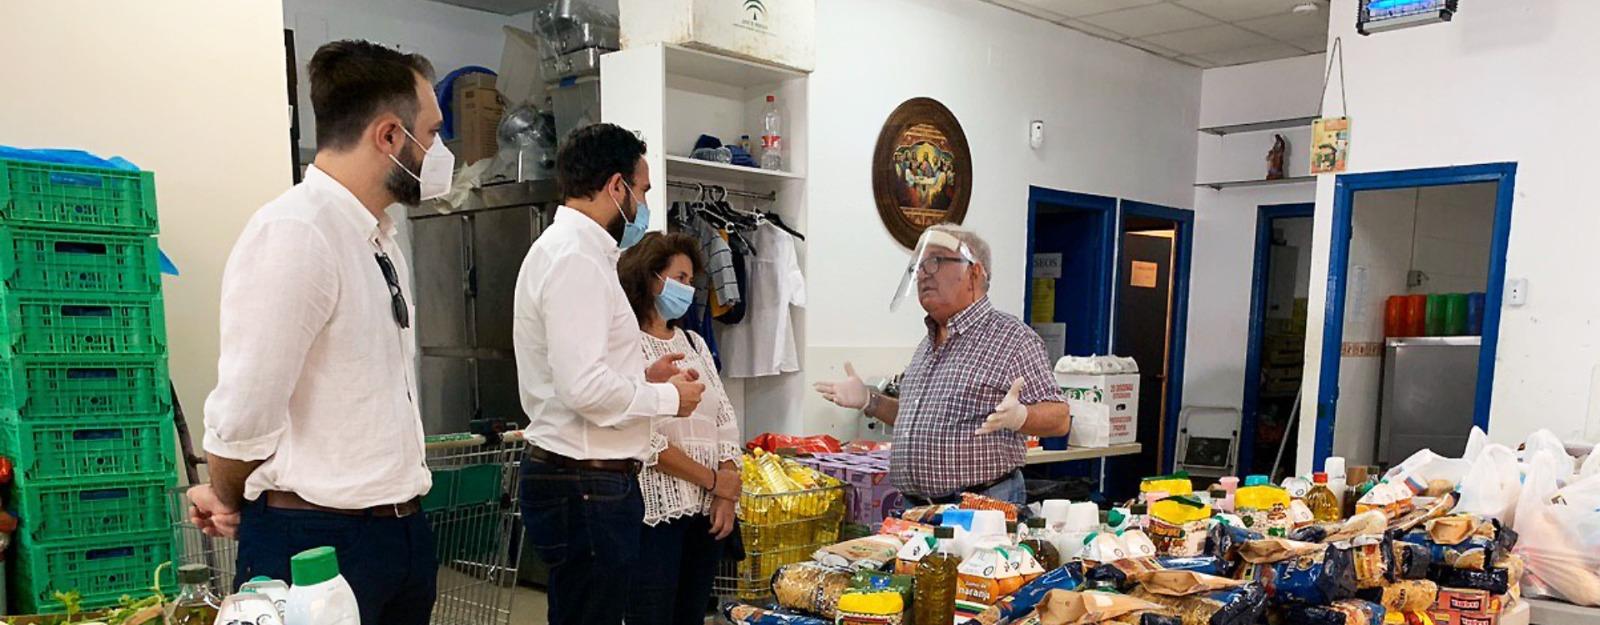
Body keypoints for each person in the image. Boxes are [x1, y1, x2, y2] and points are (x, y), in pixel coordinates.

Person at [187, 40, 447, 624]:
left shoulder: (379, 237)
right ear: (389, 136)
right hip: (313, 543)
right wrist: (227, 497)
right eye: (430, 133)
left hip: (400, 531)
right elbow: (244, 413)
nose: (438, 150)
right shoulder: (297, 233)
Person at [513, 123, 707, 625]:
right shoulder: (576, 258)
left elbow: (580, 371)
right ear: (616, 186)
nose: (643, 205)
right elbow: (582, 389)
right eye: (641, 190)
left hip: (585, 477)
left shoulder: (580, 253)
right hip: (585, 481)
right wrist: (668, 401)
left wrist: (645, 377)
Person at [815, 224, 1070, 507]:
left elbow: (1060, 419)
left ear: (974, 273)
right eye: (919, 266)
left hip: (980, 507)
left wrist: (1021, 417)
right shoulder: (929, 343)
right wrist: (869, 400)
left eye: (935, 262)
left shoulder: (1011, 338)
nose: (923, 273)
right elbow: (916, 419)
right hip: (916, 508)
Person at [616, 232, 742, 625]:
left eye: (691, 281)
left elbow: (724, 417)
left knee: (691, 615)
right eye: (681, 278)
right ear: (653, 278)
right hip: (657, 512)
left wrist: (726, 488)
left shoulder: (694, 342)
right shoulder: (625, 345)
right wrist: (711, 480)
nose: (688, 289)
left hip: (706, 513)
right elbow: (642, 438)